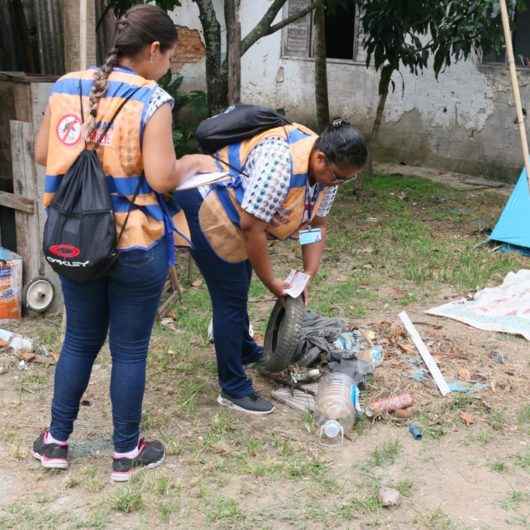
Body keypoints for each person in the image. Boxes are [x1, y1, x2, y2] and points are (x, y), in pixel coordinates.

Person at [32, 5, 211, 482]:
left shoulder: (66, 86)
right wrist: (191, 162)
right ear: (153, 50)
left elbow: (43, 153)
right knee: (129, 350)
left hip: (75, 242)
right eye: (170, 58)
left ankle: (55, 441)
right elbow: (160, 176)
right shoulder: (152, 99)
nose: (168, 68)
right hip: (135, 244)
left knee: (78, 340)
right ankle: (125, 452)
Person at [174, 118, 368, 415]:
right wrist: (273, 283)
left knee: (238, 282)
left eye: (346, 180)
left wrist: (307, 274)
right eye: (338, 177)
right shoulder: (282, 163)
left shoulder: (329, 174)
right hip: (207, 199)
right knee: (230, 292)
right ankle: (233, 388)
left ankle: (241, 348)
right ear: (320, 159)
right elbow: (252, 227)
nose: (338, 184)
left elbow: (315, 225)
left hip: (239, 210)